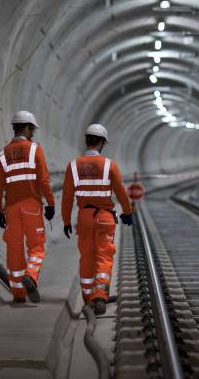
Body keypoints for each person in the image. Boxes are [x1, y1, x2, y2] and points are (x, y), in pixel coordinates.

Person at [61, 124, 132, 315]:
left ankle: (87, 298)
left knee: (86, 256)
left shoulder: (73, 166)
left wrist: (66, 221)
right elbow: (122, 194)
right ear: (102, 143)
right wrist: (128, 212)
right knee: (104, 256)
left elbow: (67, 197)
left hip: (84, 217)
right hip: (105, 217)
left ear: (87, 141)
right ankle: (100, 295)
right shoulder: (110, 165)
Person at [0, 111, 55, 303]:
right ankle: (31, 275)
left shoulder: (3, 154)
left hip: (11, 209)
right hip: (32, 206)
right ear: (26, 128)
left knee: (14, 250)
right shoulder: (35, 150)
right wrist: (51, 202)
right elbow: (43, 180)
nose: (33, 133)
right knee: (36, 246)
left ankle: (19, 293)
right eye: (32, 129)